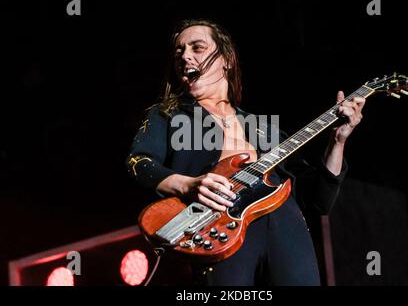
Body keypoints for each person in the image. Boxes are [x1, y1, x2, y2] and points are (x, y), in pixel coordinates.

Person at [126, 19, 365, 286]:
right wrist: (188, 185)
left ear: (225, 59)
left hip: (286, 226)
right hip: (219, 228)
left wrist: (338, 141)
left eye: (198, 47)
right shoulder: (168, 115)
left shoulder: (264, 129)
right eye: (179, 51)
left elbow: (318, 199)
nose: (186, 57)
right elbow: (139, 162)